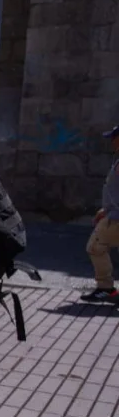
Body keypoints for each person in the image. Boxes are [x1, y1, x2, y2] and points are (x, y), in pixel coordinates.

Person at [82, 124, 119, 303]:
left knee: (95, 247)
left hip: (117, 218)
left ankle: (106, 288)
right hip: (113, 214)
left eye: (114, 137)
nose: (112, 141)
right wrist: (105, 210)